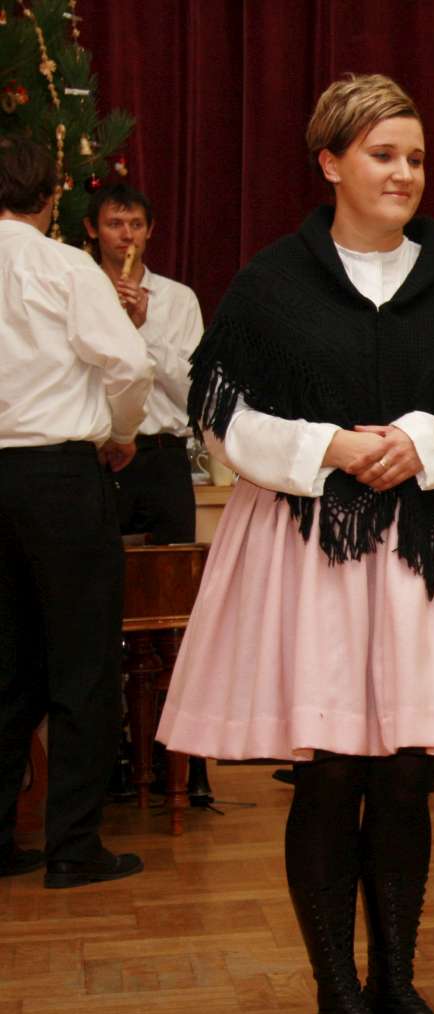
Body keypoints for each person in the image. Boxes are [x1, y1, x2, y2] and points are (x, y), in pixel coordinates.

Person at [155, 75, 434, 1014]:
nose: (404, 173)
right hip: (311, 556)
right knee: (330, 776)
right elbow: (224, 416)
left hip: (423, 560)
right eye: (383, 154)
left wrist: (425, 443)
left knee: (409, 777)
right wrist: (326, 445)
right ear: (330, 162)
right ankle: (338, 996)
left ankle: (396, 985)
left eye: (416, 157)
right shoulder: (272, 282)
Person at [0, 133, 152, 889]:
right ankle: (74, 846)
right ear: (52, 197)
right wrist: (121, 434)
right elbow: (129, 363)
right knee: (85, 658)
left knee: (5, 660)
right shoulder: (63, 266)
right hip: (58, 475)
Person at [83, 182, 214, 805]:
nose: (126, 236)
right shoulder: (77, 288)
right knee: (98, 607)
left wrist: (142, 332)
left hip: (162, 461)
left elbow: (194, 393)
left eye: (135, 224)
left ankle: (179, 764)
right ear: (93, 230)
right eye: (114, 224)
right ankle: (109, 757)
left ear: (150, 231)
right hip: (100, 458)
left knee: (173, 615)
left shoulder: (178, 300)